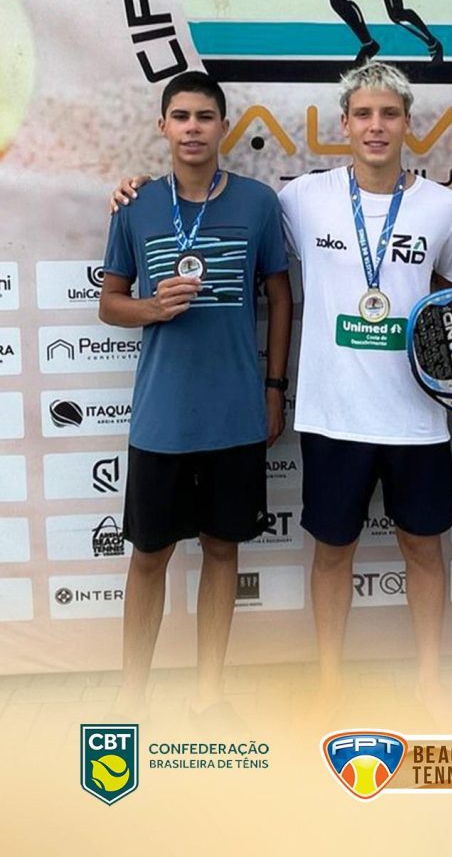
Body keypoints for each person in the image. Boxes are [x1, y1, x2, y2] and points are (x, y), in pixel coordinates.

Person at [278, 61, 452, 717]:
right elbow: (229, 213)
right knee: (332, 554)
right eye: (363, 115)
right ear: (344, 125)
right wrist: (136, 190)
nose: (375, 127)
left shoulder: (441, 206)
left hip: (417, 418)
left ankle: (429, 678)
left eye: (388, 114)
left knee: (424, 551)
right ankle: (329, 681)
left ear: (408, 123)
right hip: (334, 417)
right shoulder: (303, 199)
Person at [100, 71, 292, 723]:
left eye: (204, 117)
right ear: (163, 126)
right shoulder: (136, 205)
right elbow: (110, 303)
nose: (192, 128)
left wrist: (274, 389)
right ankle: (131, 695)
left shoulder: (258, 203)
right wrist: (152, 308)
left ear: (223, 127)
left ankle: (209, 692)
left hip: (235, 415)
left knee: (222, 550)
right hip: (162, 419)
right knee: (148, 557)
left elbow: (280, 298)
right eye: (180, 116)